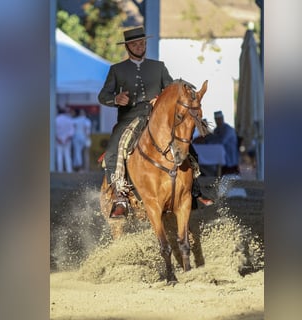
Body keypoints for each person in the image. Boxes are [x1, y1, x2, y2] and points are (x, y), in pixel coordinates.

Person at [98, 26, 212, 218]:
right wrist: (116, 99)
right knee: (112, 151)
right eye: (135, 44)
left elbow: (171, 89)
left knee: (186, 145)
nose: (140, 46)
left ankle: (194, 190)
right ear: (127, 47)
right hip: (129, 118)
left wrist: (160, 97)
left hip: (157, 116)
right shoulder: (116, 70)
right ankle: (120, 196)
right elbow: (103, 96)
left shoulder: (159, 66)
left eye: (142, 43)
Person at [204, 110, 240, 175]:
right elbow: (211, 139)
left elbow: (221, 141)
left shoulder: (228, 129)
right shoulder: (216, 129)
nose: (218, 121)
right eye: (216, 119)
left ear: (222, 118)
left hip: (229, 156)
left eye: (219, 119)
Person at [55, 106, 75, 173]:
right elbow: (72, 131)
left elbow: (54, 131)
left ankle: (60, 170)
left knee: (59, 155)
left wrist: (58, 138)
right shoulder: (69, 119)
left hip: (59, 140)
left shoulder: (56, 119)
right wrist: (67, 138)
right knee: (67, 155)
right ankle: (69, 170)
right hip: (67, 140)